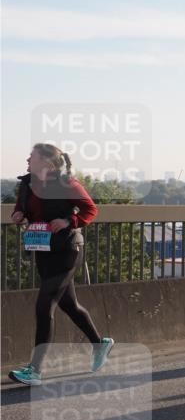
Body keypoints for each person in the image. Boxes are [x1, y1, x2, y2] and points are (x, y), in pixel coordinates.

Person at [8, 144, 115, 386]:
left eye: (31, 156)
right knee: (70, 305)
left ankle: (35, 370)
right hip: (44, 250)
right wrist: (18, 215)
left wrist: (68, 220)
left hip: (68, 250)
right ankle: (100, 344)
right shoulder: (27, 184)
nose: (27, 159)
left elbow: (91, 209)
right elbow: (22, 207)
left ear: (46, 163)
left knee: (45, 305)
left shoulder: (68, 184)